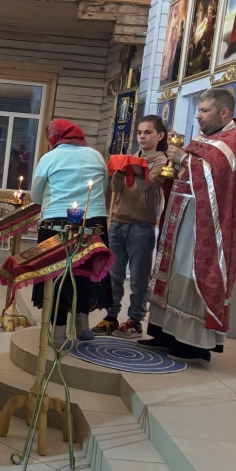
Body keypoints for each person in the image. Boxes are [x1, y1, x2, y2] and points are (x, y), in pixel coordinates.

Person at [143, 89, 236, 361]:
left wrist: (184, 159)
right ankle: (165, 334)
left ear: (223, 112)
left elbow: (214, 176)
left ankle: (191, 344)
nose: (198, 115)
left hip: (203, 227)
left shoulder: (233, 141)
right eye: (199, 109)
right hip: (180, 219)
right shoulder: (206, 139)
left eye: (204, 110)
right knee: (173, 275)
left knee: (191, 276)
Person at [30, 119, 111, 340]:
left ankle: (58, 330)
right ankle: (83, 324)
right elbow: (104, 189)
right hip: (93, 221)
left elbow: (36, 195)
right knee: (85, 271)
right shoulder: (96, 156)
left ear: (54, 137)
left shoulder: (49, 158)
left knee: (57, 274)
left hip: (56, 222)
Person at [92, 116, 168, 339]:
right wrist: (119, 171)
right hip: (118, 222)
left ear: (160, 136)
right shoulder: (131, 157)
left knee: (138, 277)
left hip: (142, 225)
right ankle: (111, 317)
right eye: (139, 133)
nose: (142, 137)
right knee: (114, 274)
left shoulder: (162, 161)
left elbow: (147, 188)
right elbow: (116, 188)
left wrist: (136, 170)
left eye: (148, 132)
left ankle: (135, 320)